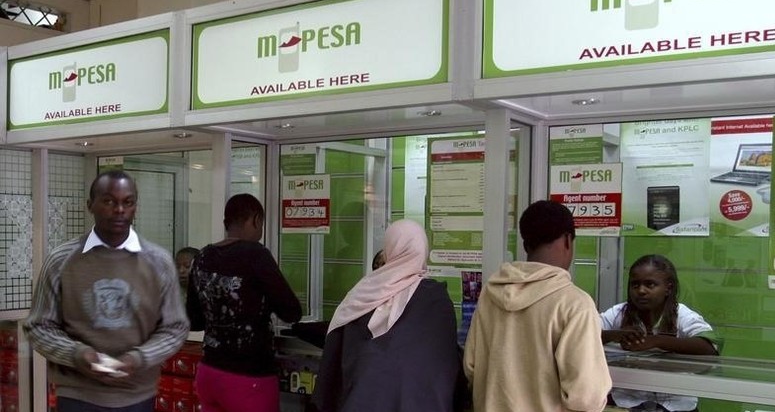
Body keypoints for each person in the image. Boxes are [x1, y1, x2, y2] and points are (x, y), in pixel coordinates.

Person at [24, 170, 190, 411]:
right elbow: (38, 326)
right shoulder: (61, 260)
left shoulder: (159, 262)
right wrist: (76, 354)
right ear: (90, 205)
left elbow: (175, 328)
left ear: (135, 207)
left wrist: (138, 358)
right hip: (77, 396)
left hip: (137, 396)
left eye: (128, 202)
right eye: (109, 201)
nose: (119, 210)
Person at [463, 200, 611, 412]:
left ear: (525, 245)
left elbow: (471, 367)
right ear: (568, 240)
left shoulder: (490, 293)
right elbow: (586, 397)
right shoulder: (575, 304)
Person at [312, 219, 463, 412]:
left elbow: (339, 348)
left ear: (389, 248)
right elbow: (445, 359)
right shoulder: (435, 298)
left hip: (363, 402)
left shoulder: (363, 292)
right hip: (422, 402)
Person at [187, 193, 303, 412]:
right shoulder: (256, 255)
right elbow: (291, 312)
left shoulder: (202, 256)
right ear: (256, 220)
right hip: (249, 378)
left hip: (209, 373)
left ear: (225, 223)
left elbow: (194, 320)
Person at [600, 254, 720, 412]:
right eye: (635, 285)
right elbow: (584, 334)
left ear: (668, 288)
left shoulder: (682, 314)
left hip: (677, 404)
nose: (641, 291)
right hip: (626, 401)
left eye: (650, 284)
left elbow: (708, 346)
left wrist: (655, 341)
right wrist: (614, 335)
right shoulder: (618, 313)